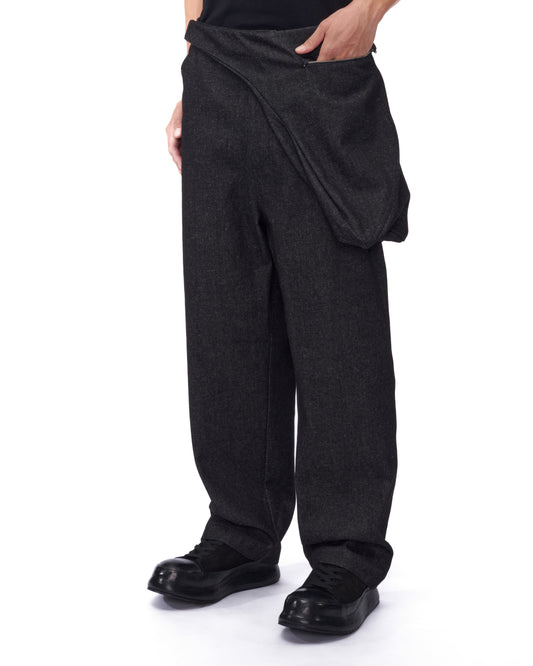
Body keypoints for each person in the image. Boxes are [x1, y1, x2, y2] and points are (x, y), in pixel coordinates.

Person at [148, 0, 410, 636]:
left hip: (318, 60)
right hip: (217, 64)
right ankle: (241, 532)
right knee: (224, 315)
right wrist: (195, 62)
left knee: (338, 323)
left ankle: (347, 554)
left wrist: (367, 12)